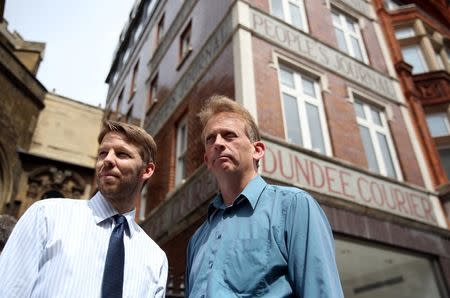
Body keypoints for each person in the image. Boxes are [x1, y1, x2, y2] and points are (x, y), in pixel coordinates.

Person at [185, 95, 343, 297]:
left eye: (229, 135)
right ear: (207, 160)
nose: (218, 143)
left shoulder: (293, 207)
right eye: (211, 139)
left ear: (257, 150)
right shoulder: (197, 240)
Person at [0, 120, 168, 297]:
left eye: (122, 154)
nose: (108, 160)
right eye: (103, 153)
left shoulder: (155, 259)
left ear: (147, 170)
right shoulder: (46, 216)